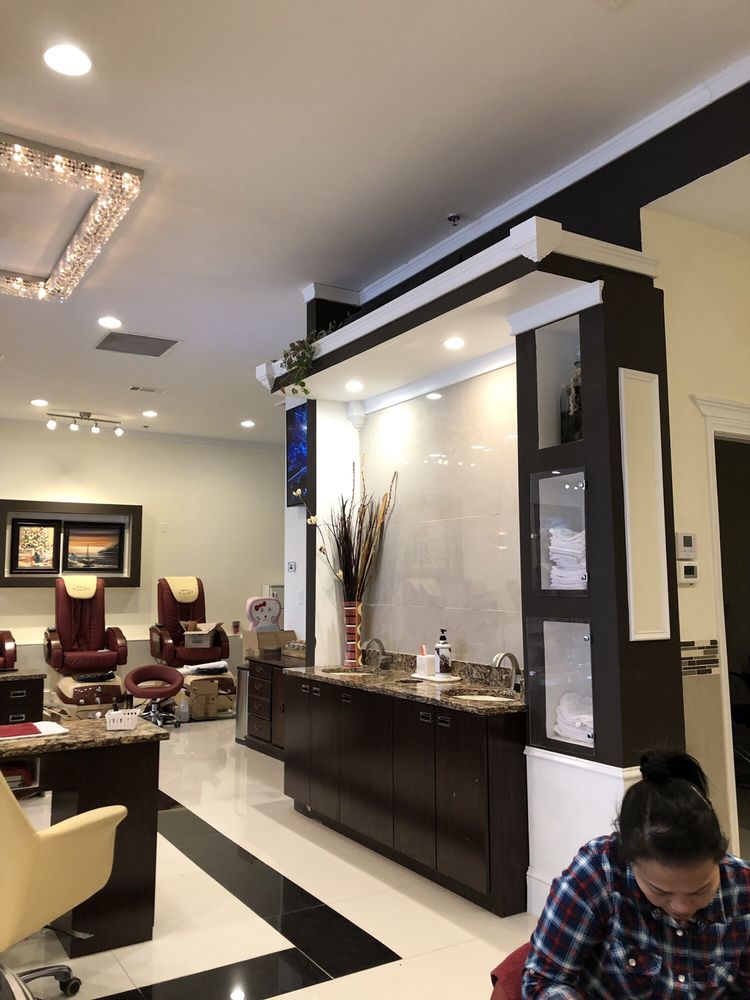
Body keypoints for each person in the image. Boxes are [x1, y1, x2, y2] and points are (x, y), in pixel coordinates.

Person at [522, 750, 750, 997]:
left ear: (720, 858)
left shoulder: (743, 887)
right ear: (629, 860)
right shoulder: (598, 873)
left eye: (700, 891)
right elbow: (543, 981)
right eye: (660, 891)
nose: (682, 908)